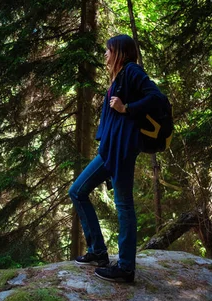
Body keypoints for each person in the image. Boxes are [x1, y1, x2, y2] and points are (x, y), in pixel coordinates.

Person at [68, 34, 165, 283]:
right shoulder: (119, 77)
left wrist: (127, 108)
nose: (105, 54)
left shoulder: (132, 71)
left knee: (123, 205)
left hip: (122, 149)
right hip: (110, 150)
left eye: (108, 50)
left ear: (120, 52)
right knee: (77, 191)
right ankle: (99, 252)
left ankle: (125, 268)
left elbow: (158, 98)